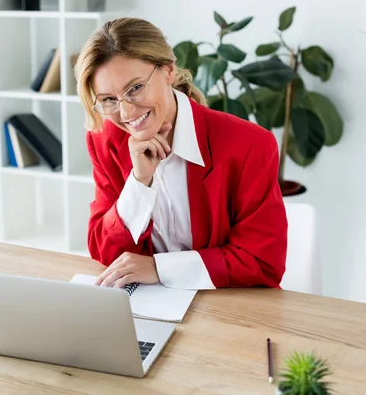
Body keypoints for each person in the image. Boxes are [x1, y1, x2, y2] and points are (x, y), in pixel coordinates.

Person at [73, 17, 288, 290]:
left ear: (168, 71)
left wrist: (159, 268)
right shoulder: (105, 140)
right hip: (152, 306)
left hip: (230, 307)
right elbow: (104, 249)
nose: (126, 113)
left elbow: (262, 263)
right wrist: (139, 182)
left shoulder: (249, 145)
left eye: (136, 88)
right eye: (108, 99)